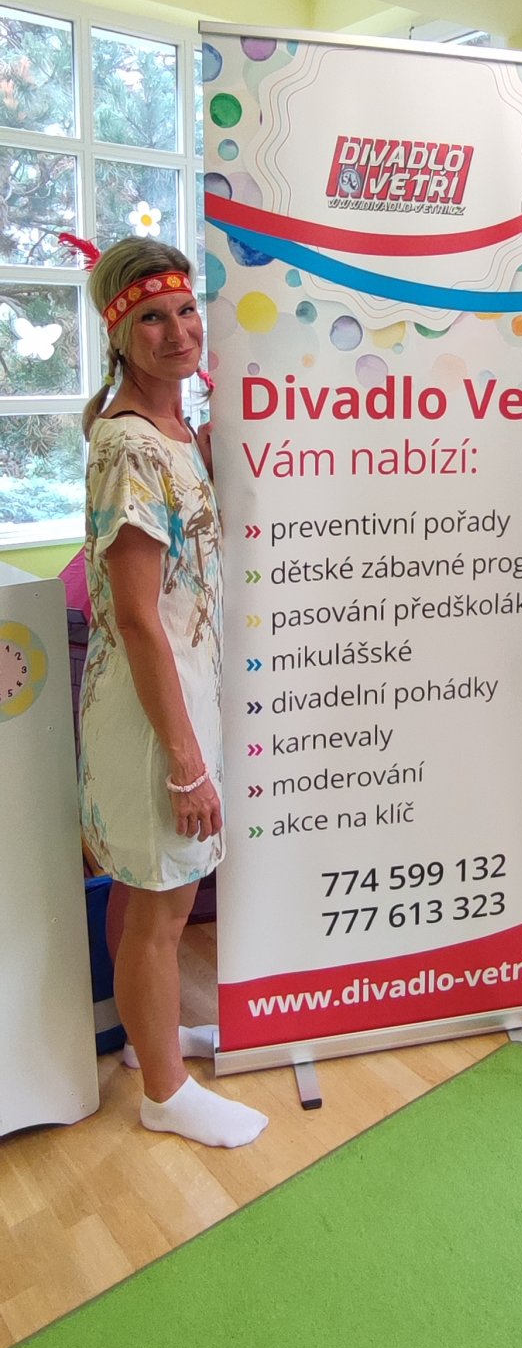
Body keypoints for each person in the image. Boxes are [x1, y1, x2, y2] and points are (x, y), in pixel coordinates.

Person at [74, 235, 267, 1146]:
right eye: (151, 317)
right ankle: (164, 1093)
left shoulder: (175, 435)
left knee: (141, 888)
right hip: (155, 714)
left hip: (176, 695)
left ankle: (143, 1047)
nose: (179, 330)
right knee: (163, 907)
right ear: (120, 335)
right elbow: (139, 616)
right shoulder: (128, 446)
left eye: (186, 310)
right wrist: (187, 761)